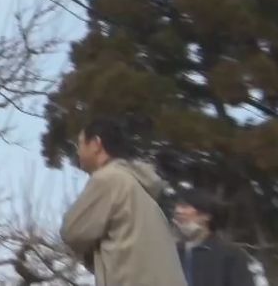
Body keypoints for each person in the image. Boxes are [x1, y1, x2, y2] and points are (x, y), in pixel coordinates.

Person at [60, 117, 185, 286]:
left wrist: (91, 250)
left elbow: (72, 231)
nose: (78, 152)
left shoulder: (109, 179)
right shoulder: (143, 188)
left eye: (81, 144)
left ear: (96, 144)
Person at [172, 189, 255, 286]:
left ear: (206, 215)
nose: (178, 211)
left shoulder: (230, 254)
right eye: (177, 207)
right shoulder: (171, 252)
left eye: (184, 206)